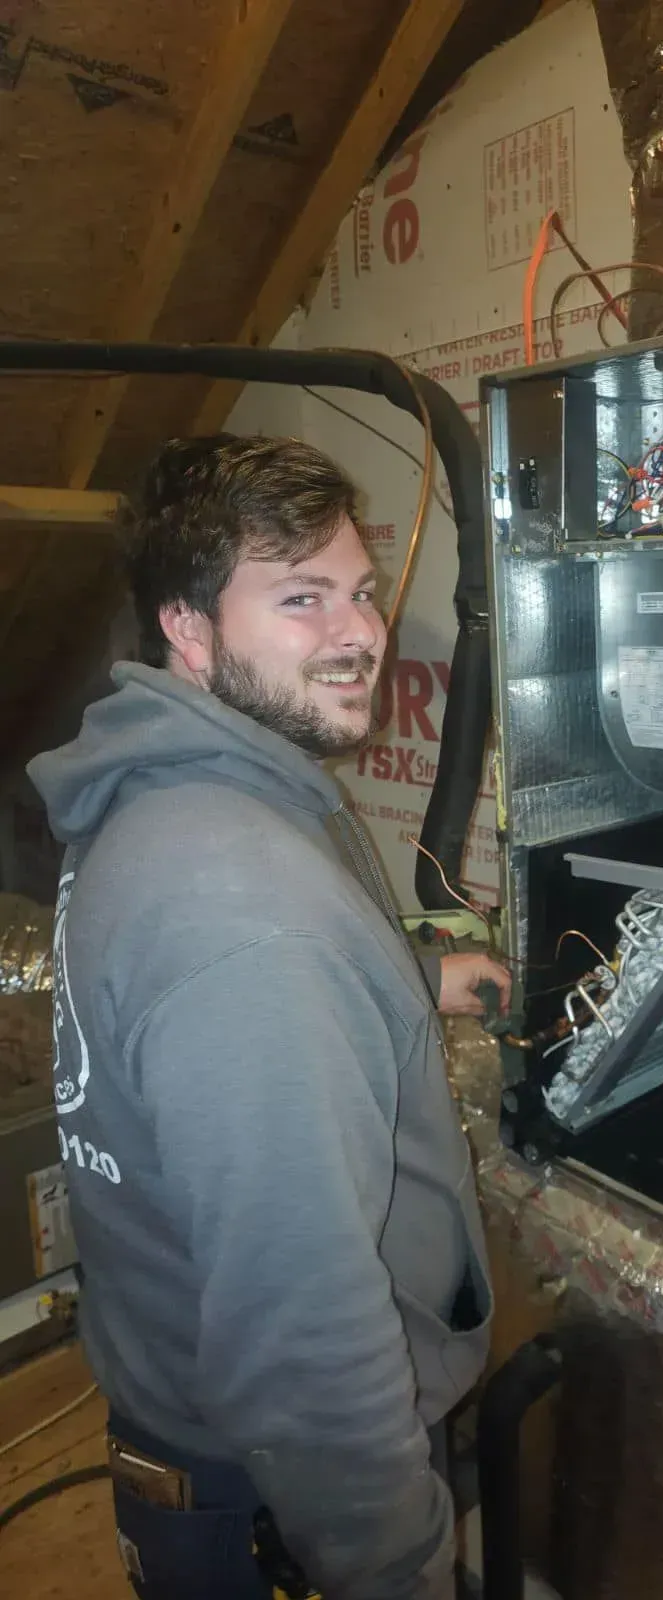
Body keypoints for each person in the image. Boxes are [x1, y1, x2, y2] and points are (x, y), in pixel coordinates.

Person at [27, 434, 511, 1600]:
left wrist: (401, 969)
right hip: (276, 1504)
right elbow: (304, 1340)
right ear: (188, 628)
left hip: (186, 1422)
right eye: (299, 599)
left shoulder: (176, 795)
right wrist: (400, 1572)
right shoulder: (245, 913)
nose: (357, 633)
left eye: (354, 590)